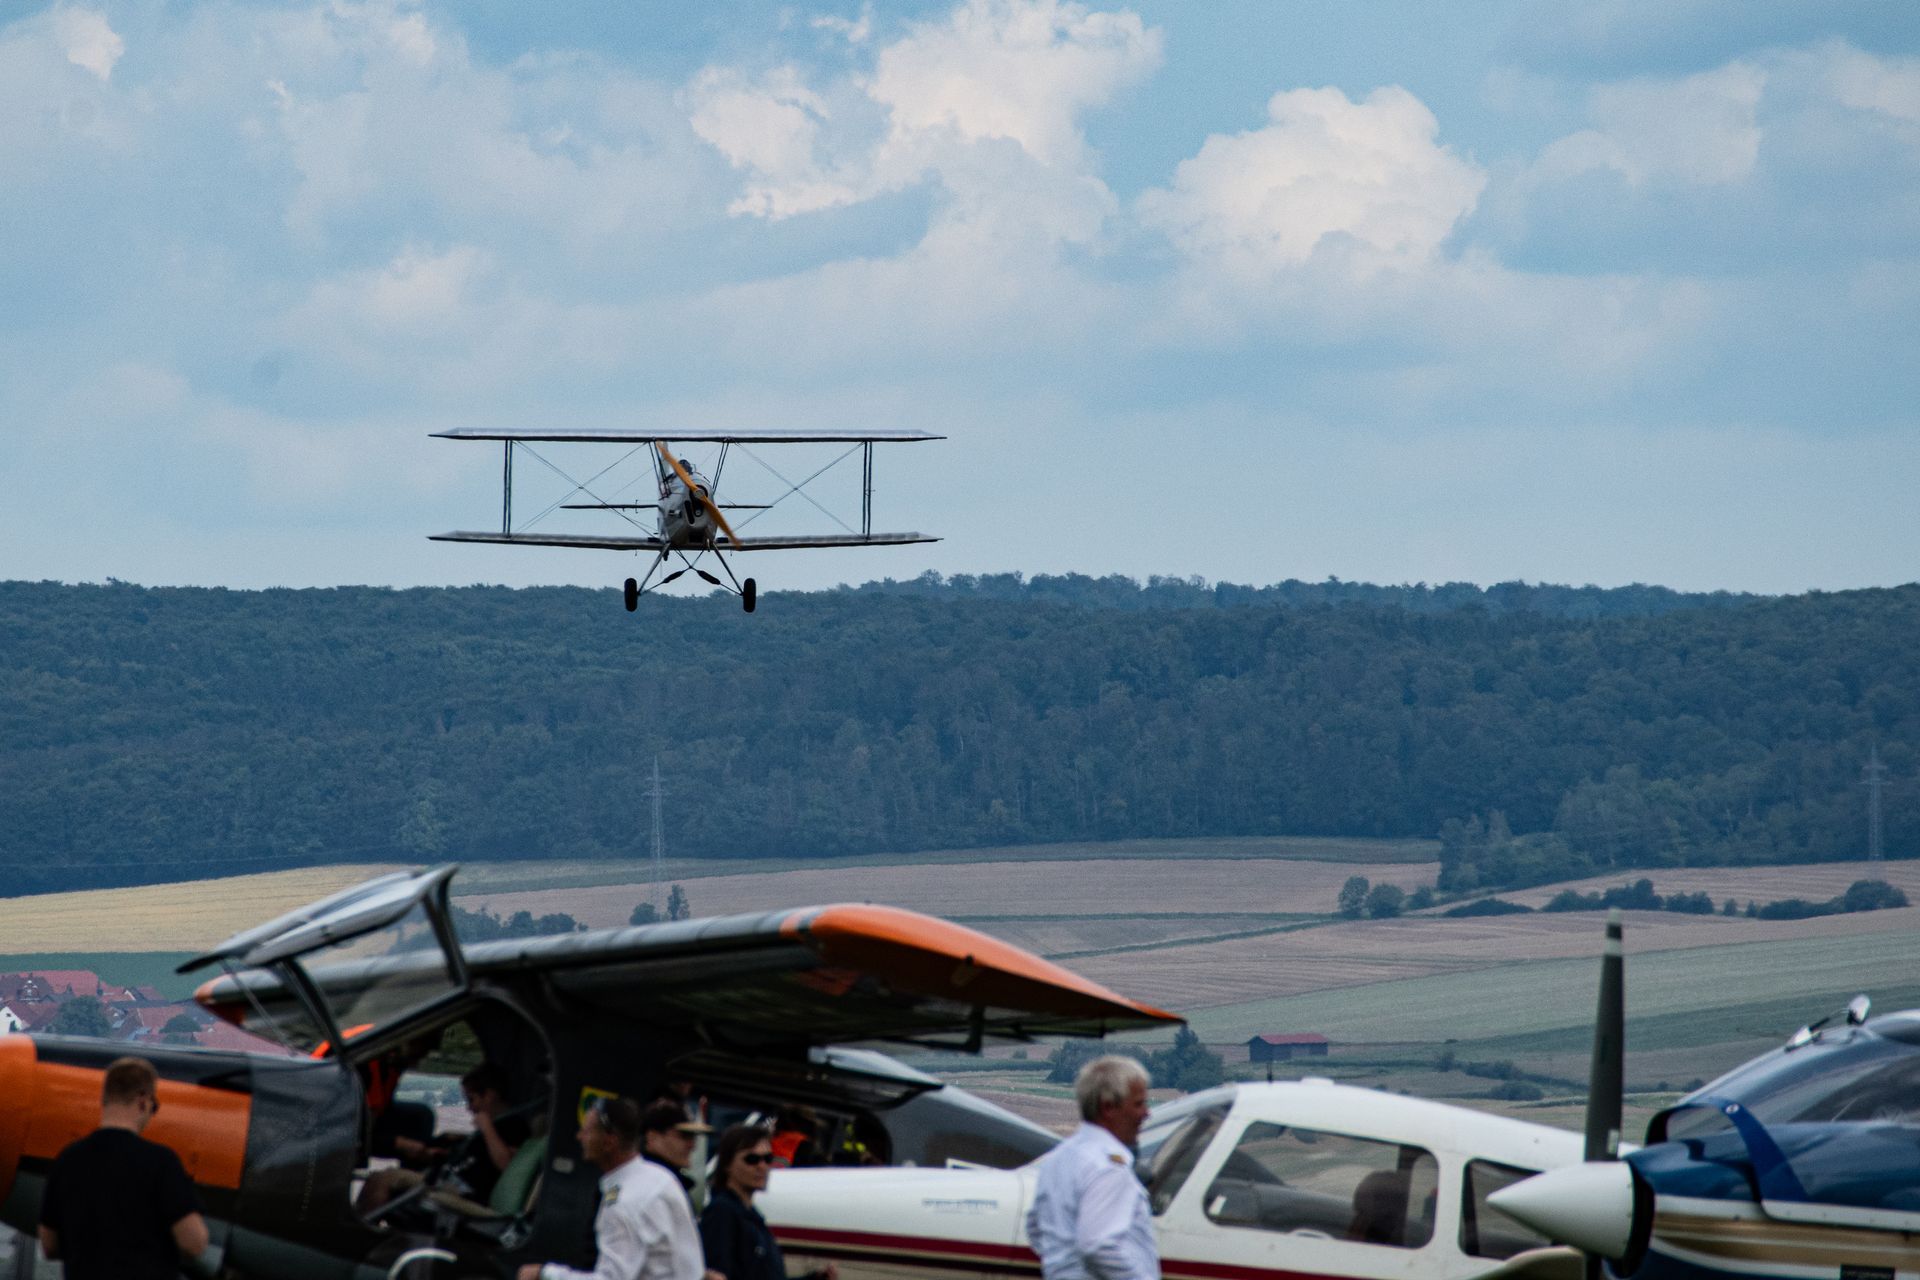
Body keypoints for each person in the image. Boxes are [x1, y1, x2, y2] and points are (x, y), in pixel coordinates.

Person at [37, 1056, 210, 1280]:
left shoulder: (67, 1160)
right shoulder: (161, 1162)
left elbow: (49, 1245)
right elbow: (194, 1243)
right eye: (154, 1107)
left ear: (105, 1101)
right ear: (143, 1102)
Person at [518, 1097, 702, 1280]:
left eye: (587, 1131)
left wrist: (545, 1273)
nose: (579, 1136)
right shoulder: (662, 1179)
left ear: (608, 1142)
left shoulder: (623, 1203)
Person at [1023, 1056, 1156, 1280]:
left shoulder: (1057, 1159)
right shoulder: (1108, 1167)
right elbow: (1098, 1245)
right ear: (1108, 1108)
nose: (1147, 1113)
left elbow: (1035, 1228)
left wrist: (1063, 1264)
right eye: (1138, 1104)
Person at [699, 1125, 833, 1280]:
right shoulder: (722, 1212)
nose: (762, 1166)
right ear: (727, 1165)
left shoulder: (752, 1216)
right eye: (752, 1159)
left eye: (768, 1159)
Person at [641, 1100, 712, 1196]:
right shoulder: (652, 1185)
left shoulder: (662, 1181)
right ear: (653, 1137)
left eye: (692, 1137)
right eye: (684, 1136)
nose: (692, 1146)